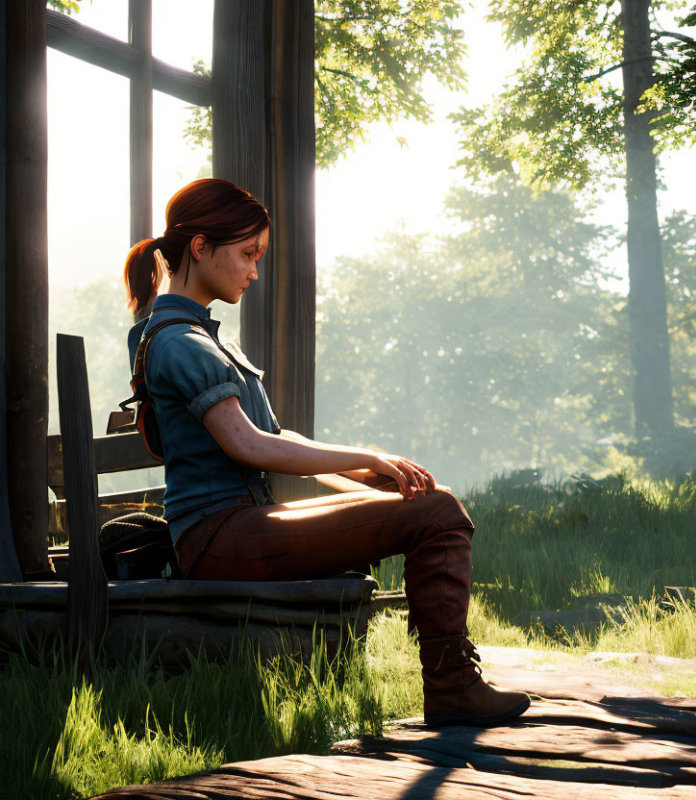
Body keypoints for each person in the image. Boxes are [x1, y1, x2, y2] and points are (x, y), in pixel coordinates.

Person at [123, 178, 530, 728]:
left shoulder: (199, 336)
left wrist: (371, 474)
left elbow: (279, 439)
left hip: (241, 526)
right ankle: (451, 684)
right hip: (217, 538)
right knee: (440, 514)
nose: (253, 271)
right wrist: (366, 458)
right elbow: (250, 446)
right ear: (199, 248)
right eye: (247, 254)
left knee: (419, 498)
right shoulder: (179, 342)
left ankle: (445, 677)